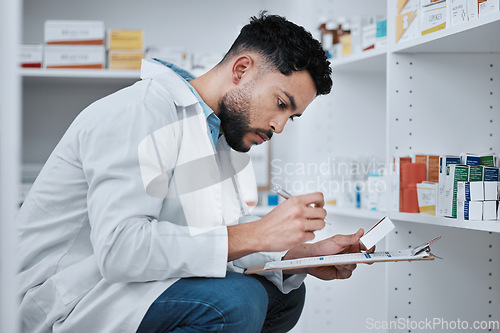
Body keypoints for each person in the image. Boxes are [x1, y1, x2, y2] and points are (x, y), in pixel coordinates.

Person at [17, 12, 369, 333]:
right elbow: (121, 249)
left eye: (291, 117)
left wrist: (299, 257)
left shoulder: (215, 134)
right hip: (66, 296)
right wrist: (259, 233)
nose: (279, 126)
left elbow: (208, 234)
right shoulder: (139, 112)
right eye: (280, 103)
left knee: (285, 296)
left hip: (126, 284)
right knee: (236, 301)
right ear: (241, 69)